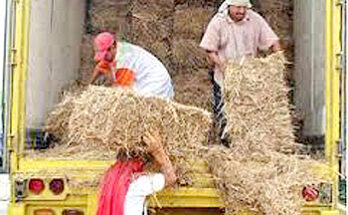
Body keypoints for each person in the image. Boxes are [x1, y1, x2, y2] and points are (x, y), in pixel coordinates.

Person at [93, 32, 176, 215]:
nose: (104, 58)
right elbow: (171, 179)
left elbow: (122, 94)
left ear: (114, 46)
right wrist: (158, 151)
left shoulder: (109, 180)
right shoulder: (136, 184)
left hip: (156, 90)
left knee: (129, 107)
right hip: (147, 87)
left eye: (106, 53)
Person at [199, 0, 281, 147]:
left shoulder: (255, 19)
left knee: (251, 114)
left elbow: (273, 40)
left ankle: (250, 147)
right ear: (229, 6)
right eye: (238, 7)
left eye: (244, 8)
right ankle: (228, 147)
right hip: (226, 79)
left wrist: (278, 61)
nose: (241, 11)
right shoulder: (218, 22)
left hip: (249, 77)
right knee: (225, 115)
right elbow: (209, 49)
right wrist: (223, 66)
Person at [91, 32, 174, 100]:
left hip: (156, 84)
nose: (104, 58)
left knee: (129, 102)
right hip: (146, 78)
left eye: (105, 55)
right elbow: (100, 66)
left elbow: (122, 91)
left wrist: (110, 79)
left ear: (113, 46)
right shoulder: (119, 49)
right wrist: (89, 85)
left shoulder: (124, 61)